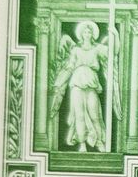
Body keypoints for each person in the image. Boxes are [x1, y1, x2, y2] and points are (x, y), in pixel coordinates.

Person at [50, 20, 121, 152]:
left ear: (92, 34)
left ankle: (99, 141)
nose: (87, 34)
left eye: (89, 32)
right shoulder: (75, 50)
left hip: (91, 84)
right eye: (85, 32)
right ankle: (82, 144)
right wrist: (59, 83)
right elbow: (70, 68)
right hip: (77, 84)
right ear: (81, 34)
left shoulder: (97, 48)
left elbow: (114, 51)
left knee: (95, 115)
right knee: (80, 115)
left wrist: (115, 35)